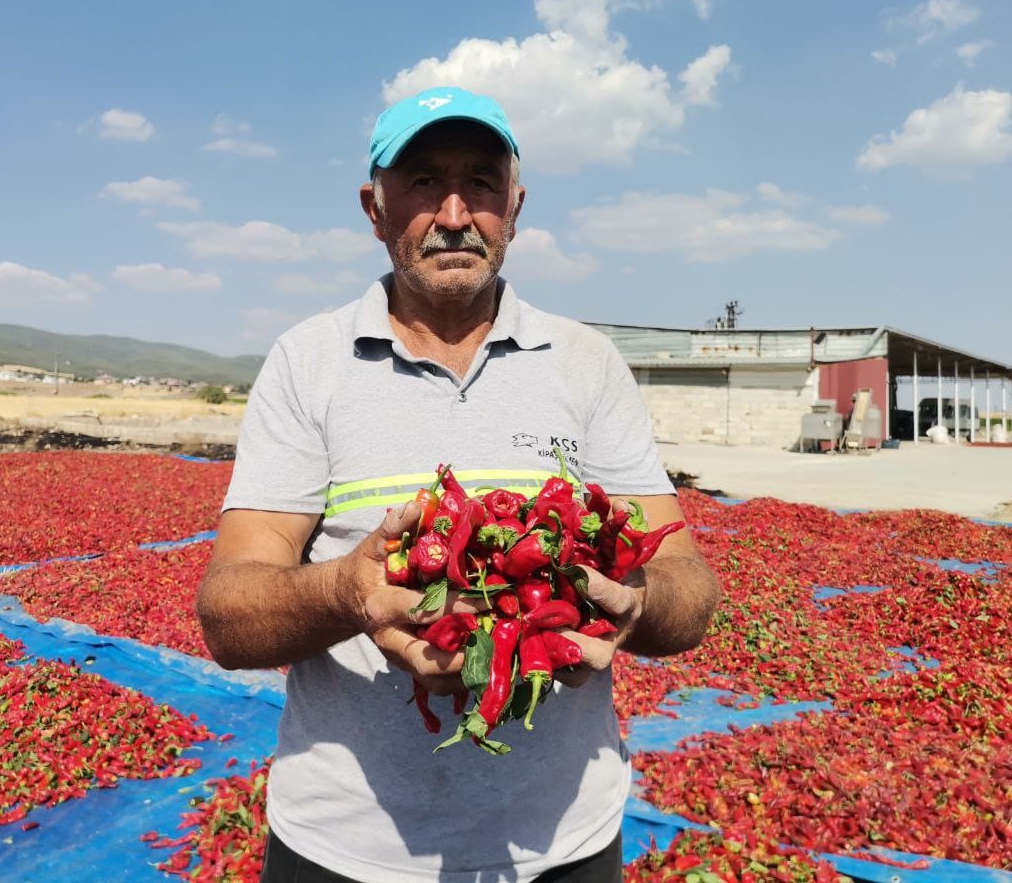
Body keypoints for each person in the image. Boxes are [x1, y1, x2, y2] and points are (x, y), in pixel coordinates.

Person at [196, 86, 721, 883]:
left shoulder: (586, 364)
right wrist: (349, 593)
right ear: (374, 208)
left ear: (515, 206)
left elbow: (688, 585)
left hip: (564, 849)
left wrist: (637, 603)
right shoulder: (307, 362)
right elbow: (228, 614)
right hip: (343, 850)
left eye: (480, 181)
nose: (452, 212)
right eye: (421, 183)